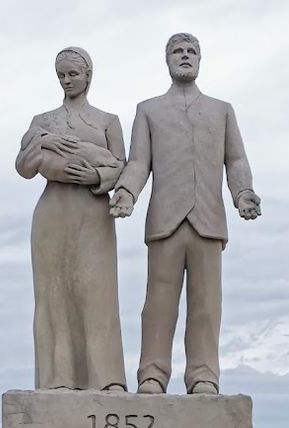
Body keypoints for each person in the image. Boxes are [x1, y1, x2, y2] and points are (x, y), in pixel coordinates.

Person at [110, 33, 261, 395]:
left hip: (209, 220)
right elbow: (138, 162)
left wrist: (243, 193)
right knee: (159, 304)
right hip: (165, 220)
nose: (185, 56)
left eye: (191, 51)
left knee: (207, 305)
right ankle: (152, 375)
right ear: (167, 61)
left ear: (200, 60)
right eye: (178, 51)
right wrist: (127, 192)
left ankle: (204, 375)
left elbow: (236, 159)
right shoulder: (149, 110)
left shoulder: (221, 110)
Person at [16, 47, 127, 391]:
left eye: (73, 74)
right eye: (61, 75)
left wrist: (94, 178)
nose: (67, 81)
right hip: (53, 214)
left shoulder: (108, 121)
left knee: (97, 294)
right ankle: (57, 378)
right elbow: (23, 167)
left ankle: (105, 379)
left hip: (93, 214)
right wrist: (44, 142)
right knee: (54, 296)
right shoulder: (43, 122)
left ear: (88, 75)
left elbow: (122, 167)